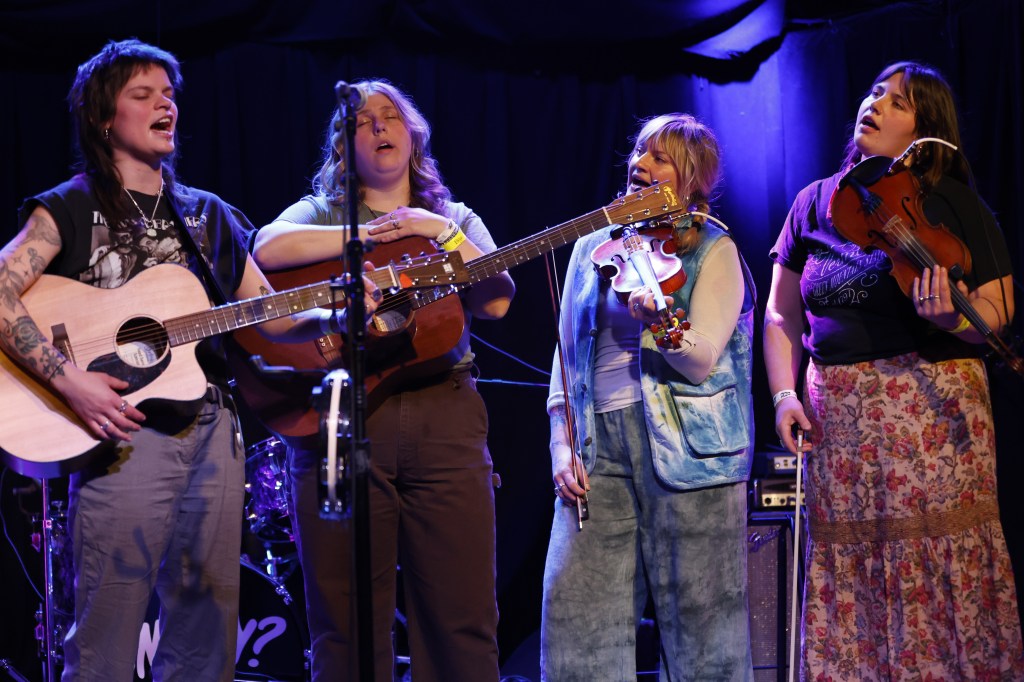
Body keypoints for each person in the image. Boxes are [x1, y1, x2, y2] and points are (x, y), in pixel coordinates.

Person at [0, 40, 373, 681]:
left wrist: (340, 309)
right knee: (107, 636)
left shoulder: (208, 216)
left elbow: (270, 312)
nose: (164, 103)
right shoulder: (68, 206)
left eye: (169, 92)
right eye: (142, 94)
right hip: (122, 432)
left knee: (207, 635)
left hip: (213, 430)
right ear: (102, 117)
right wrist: (72, 383)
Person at [764, 60, 1024, 680]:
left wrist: (950, 321)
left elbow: (998, 310)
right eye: (876, 91)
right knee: (851, 570)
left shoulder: (951, 202)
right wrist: (781, 395)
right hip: (843, 424)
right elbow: (778, 315)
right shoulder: (813, 203)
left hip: (932, 416)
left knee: (938, 565)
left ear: (925, 128)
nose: (877, 103)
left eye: (900, 101)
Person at [250, 78, 515, 681]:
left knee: (462, 617)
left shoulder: (451, 217)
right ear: (344, 148)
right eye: (363, 119)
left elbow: (498, 302)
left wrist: (435, 231)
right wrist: (365, 236)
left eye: (390, 115)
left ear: (412, 135)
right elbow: (263, 247)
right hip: (345, 414)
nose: (377, 125)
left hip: (445, 413)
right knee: (345, 622)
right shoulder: (324, 214)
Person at [541, 113, 755, 681]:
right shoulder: (593, 245)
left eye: (661, 158)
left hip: (692, 454)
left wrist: (662, 324)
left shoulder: (713, 248)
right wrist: (562, 446)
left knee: (704, 630)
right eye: (640, 152)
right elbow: (565, 357)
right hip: (598, 448)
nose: (642, 164)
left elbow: (701, 358)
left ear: (691, 179)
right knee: (575, 621)